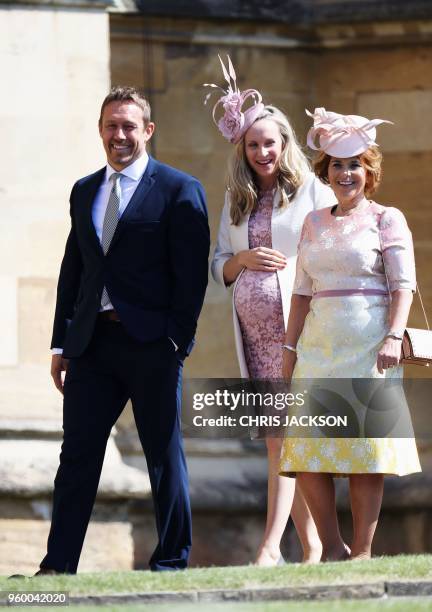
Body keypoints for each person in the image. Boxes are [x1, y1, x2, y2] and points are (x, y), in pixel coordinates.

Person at [37, 86, 210, 574]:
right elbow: (75, 269)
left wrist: (177, 341)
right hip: (92, 346)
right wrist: (62, 341)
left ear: (148, 131)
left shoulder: (179, 189)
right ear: (100, 130)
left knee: (162, 455)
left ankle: (172, 561)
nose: (120, 135)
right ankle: (57, 568)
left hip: (153, 344)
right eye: (111, 125)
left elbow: (192, 275)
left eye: (129, 126)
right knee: (77, 458)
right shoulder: (84, 190)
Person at [280, 107, 421, 561]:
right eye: (338, 165)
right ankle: (332, 549)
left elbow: (402, 286)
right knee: (306, 453)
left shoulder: (388, 218)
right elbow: (301, 293)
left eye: (354, 164)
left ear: (369, 170)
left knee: (364, 455)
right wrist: (288, 349)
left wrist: (393, 337)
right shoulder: (313, 223)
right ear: (326, 170)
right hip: (316, 349)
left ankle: (362, 550)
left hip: (368, 350)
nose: (346, 173)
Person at [209, 57, 335, 566]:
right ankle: (312, 550)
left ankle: (268, 549)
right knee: (282, 443)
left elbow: (335, 248)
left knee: (285, 442)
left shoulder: (310, 192)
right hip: (255, 340)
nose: (262, 151)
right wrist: (241, 260)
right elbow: (218, 265)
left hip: (297, 336)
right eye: (254, 144)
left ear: (284, 145)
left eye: (270, 142)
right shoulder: (236, 198)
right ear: (243, 148)